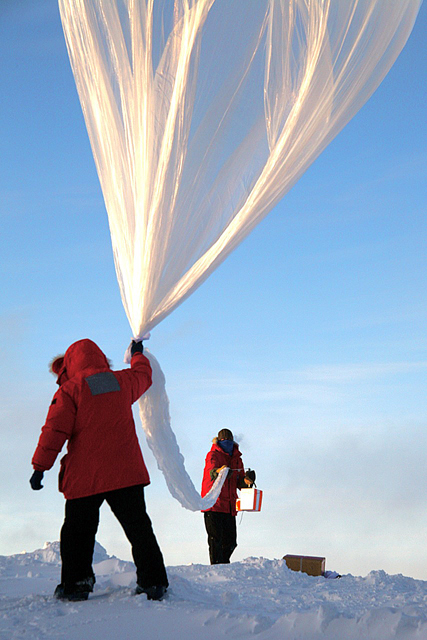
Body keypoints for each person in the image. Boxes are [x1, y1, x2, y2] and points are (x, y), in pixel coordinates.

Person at [30, 338, 168, 602]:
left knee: (77, 532)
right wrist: (137, 353)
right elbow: (143, 375)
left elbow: (54, 432)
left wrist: (40, 467)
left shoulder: (70, 390)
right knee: (139, 528)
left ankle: (76, 584)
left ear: (70, 365)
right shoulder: (122, 381)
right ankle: (154, 583)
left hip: (86, 475)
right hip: (125, 472)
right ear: (101, 359)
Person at [201, 429, 255, 565]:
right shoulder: (212, 455)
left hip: (230, 507)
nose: (227, 444)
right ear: (219, 441)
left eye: (229, 441)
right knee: (215, 540)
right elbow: (211, 473)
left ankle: (223, 565)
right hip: (213, 504)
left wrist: (247, 482)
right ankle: (217, 568)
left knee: (231, 542)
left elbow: (240, 482)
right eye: (224, 441)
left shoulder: (237, 459)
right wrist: (221, 471)